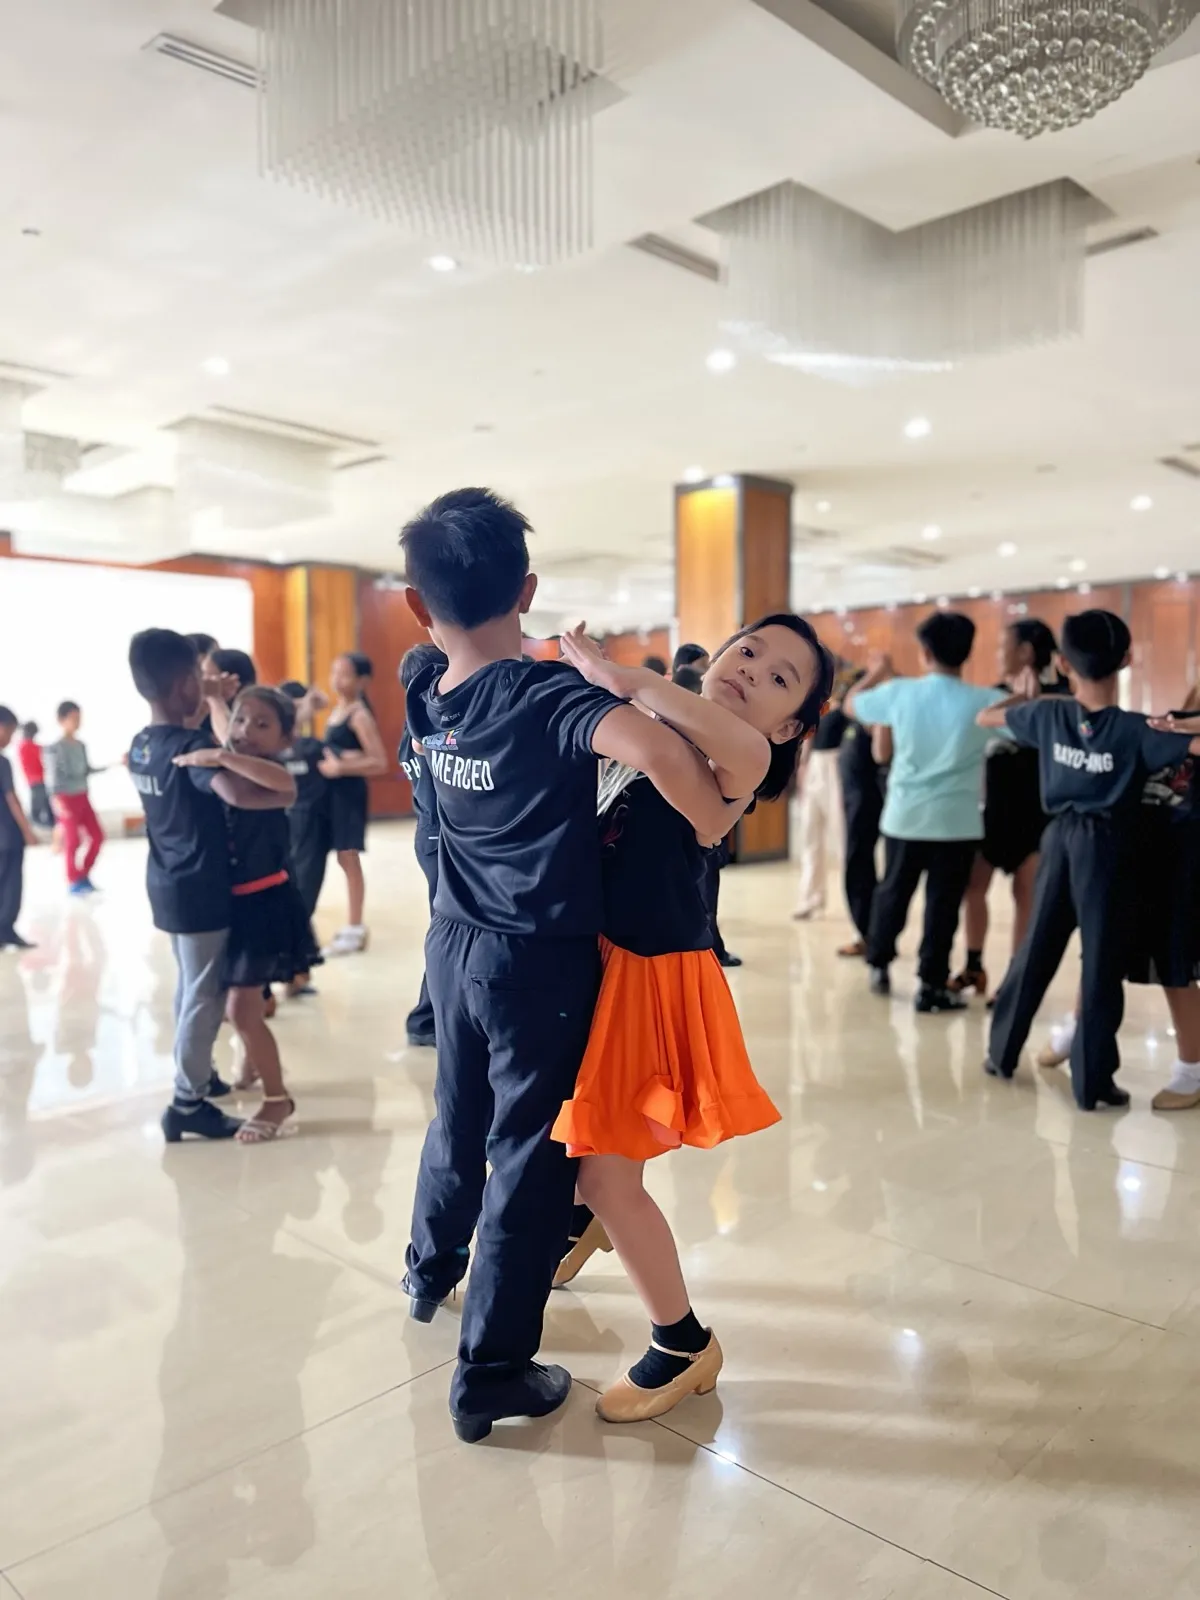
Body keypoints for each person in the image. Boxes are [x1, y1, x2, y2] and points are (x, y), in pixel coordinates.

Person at [397, 486, 726, 1445]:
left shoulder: (425, 681)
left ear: (421, 604)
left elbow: (443, 656)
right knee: (533, 1163)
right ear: (528, 588)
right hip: (534, 961)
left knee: (457, 1119)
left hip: (451, 945)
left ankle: (426, 1270)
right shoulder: (548, 697)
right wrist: (711, 820)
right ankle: (491, 1373)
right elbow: (657, 748)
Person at [551, 616, 833, 1423]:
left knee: (607, 1167)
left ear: (787, 725)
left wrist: (614, 673)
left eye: (781, 679)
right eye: (749, 650)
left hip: (650, 979)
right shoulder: (656, 731)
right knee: (585, 1138)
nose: (752, 670)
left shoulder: (747, 756)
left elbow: (668, 718)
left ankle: (682, 1343)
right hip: (607, 961)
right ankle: (580, 1224)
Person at [980, 610, 1200, 1109]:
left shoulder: (1047, 716)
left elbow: (987, 717)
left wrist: (1035, 693)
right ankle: (1093, 1083)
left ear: (1063, 661)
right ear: (1126, 660)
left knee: (1036, 948)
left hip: (1057, 838)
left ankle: (1001, 1053)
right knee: (1100, 962)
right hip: (1110, 847)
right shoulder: (1137, 729)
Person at [128, 629, 286, 1144]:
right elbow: (237, 793)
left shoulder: (143, 743)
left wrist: (207, 700)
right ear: (181, 686)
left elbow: (187, 729)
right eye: (198, 676)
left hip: (166, 884)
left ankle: (198, 1077)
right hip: (201, 891)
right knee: (204, 997)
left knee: (189, 986)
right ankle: (187, 1102)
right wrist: (285, 797)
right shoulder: (192, 747)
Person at [846, 613, 1005, 1012]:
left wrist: (874, 674)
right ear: (966, 653)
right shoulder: (984, 701)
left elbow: (851, 706)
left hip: (905, 816)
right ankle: (931, 984)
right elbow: (1023, 726)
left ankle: (879, 963)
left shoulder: (901, 692)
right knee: (943, 906)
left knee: (893, 894)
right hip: (957, 822)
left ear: (925, 652)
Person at [173, 686, 306, 1141]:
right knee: (241, 1003)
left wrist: (222, 757)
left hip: (265, 903)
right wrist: (214, 704)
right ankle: (253, 1061)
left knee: (241, 1009)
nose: (246, 731)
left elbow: (285, 788)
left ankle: (277, 1099)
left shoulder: (274, 771)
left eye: (262, 724)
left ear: (286, 738)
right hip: (236, 903)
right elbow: (223, 730)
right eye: (241, 721)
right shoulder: (231, 752)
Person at [951, 618, 1068, 1001]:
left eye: (1004, 645)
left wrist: (1035, 699)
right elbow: (979, 724)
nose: (998, 654)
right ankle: (973, 966)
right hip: (993, 813)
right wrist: (1017, 699)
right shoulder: (996, 695)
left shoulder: (1062, 696)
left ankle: (1013, 981)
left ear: (1025, 652)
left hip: (1037, 816)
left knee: (1025, 897)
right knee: (973, 887)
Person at [1125, 685, 1200, 1110]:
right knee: (1175, 966)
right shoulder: (1165, 723)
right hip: (1170, 864)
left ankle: (1192, 1070)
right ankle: (1192, 1068)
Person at [320, 652, 388, 957]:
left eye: (344, 675)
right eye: (335, 672)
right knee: (343, 857)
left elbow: (379, 762)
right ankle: (352, 925)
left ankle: (355, 926)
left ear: (362, 681)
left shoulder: (359, 714)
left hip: (348, 793)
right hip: (333, 795)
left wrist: (341, 767)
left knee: (349, 857)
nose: (337, 680)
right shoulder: (339, 709)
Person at [398, 642, 448, 1049]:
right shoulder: (428, 729)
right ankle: (425, 1019)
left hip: (428, 836)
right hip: (437, 837)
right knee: (444, 930)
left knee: (443, 927)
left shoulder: (409, 725)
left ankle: (427, 1017)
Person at [279, 681, 331, 998]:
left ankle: (296, 973)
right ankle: (290, 972)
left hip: (310, 827)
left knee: (302, 898)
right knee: (294, 899)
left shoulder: (313, 747)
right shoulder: (269, 750)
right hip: (284, 828)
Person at [836, 689, 887, 959]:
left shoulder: (876, 723)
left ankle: (870, 935)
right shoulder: (855, 724)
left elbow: (850, 702)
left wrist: (878, 674)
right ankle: (866, 933)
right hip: (852, 804)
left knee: (859, 868)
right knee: (858, 868)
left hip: (866, 804)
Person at [793, 694, 847, 920]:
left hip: (836, 766)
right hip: (815, 766)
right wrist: (803, 772)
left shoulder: (845, 710)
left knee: (843, 837)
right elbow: (808, 743)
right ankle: (810, 899)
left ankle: (853, 902)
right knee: (810, 836)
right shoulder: (816, 709)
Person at [45, 701, 107, 896]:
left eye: (79, 718)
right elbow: (52, 777)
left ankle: (83, 874)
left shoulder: (81, 745)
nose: (78, 722)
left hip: (82, 795)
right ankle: (73, 880)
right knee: (72, 841)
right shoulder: (55, 748)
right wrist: (56, 801)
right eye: (73, 718)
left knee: (97, 836)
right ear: (61, 720)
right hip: (65, 798)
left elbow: (87, 770)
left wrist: (113, 765)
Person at [0, 707, 38, 950]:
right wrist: (28, 831)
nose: (11, 738)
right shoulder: (2, 762)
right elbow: (12, 798)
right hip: (7, 835)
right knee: (11, 884)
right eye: (10, 732)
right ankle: (6, 930)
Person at [16, 722, 53, 829]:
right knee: (40, 810)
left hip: (38, 781)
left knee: (43, 808)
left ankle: (51, 827)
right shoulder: (29, 746)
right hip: (37, 781)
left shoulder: (26, 746)